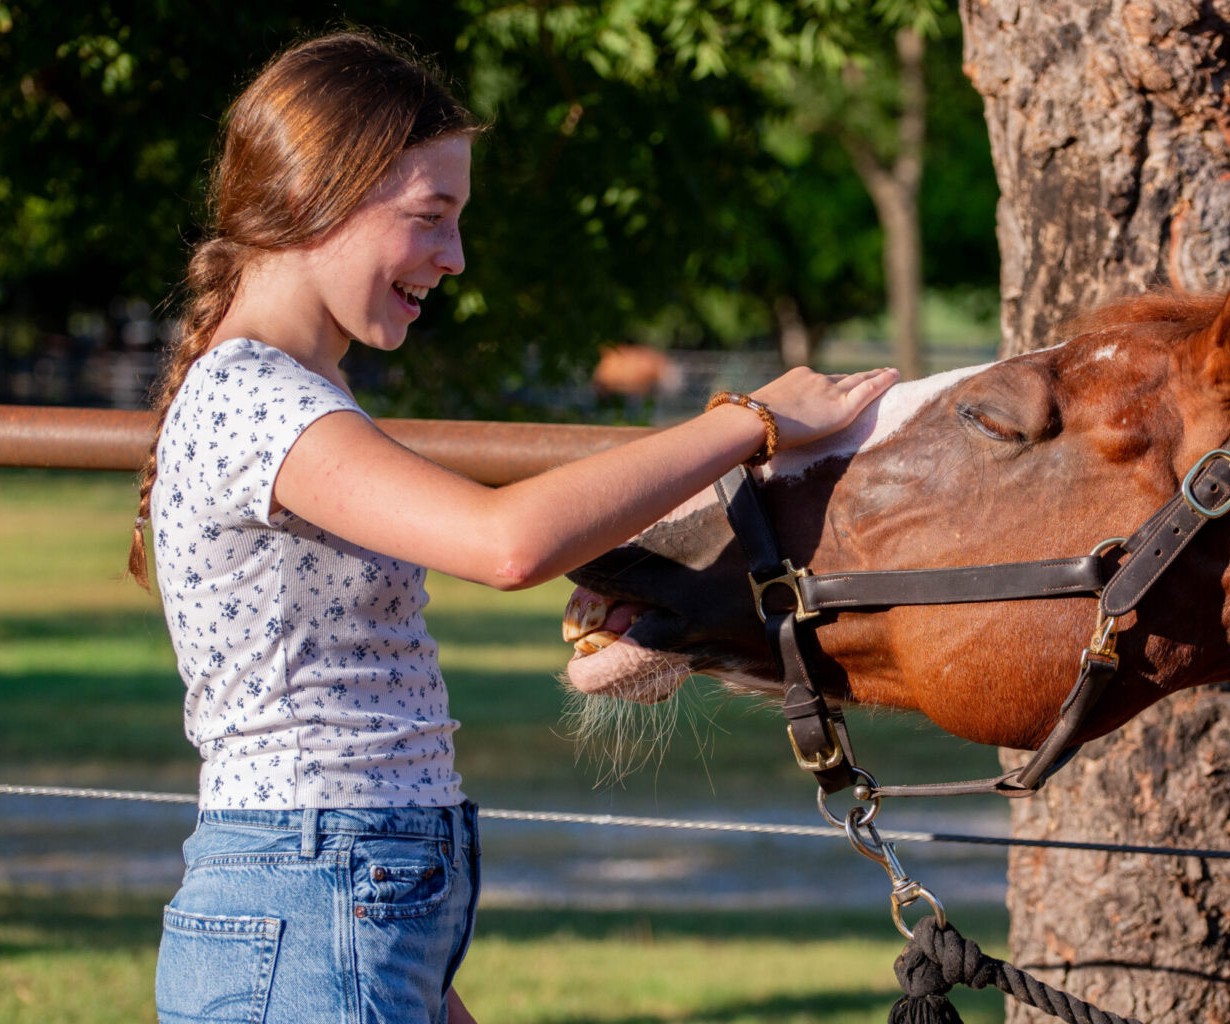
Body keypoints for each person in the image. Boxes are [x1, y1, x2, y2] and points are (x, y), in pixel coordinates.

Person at [126, 31, 896, 1024]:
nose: (453, 256)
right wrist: (747, 423)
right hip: (310, 885)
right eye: (429, 217)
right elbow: (506, 544)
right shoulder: (259, 401)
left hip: (338, 898)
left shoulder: (295, 392)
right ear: (317, 197)